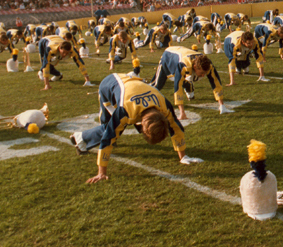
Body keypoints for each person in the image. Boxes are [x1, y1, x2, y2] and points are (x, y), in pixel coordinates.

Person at [71, 73, 200, 183]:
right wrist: (101, 172)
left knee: (113, 129)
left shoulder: (163, 104)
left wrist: (183, 156)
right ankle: (80, 137)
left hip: (130, 83)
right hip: (108, 86)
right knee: (111, 130)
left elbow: (176, 127)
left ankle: (81, 138)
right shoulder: (125, 111)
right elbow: (107, 139)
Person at [150, 46, 231, 117]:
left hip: (183, 55)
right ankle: (144, 95)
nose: (203, 76)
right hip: (168, 57)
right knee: (158, 85)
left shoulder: (209, 65)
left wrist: (222, 105)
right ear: (195, 67)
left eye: (204, 73)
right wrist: (182, 112)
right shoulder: (183, 65)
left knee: (189, 78)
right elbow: (177, 87)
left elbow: (216, 82)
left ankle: (189, 87)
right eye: (202, 73)